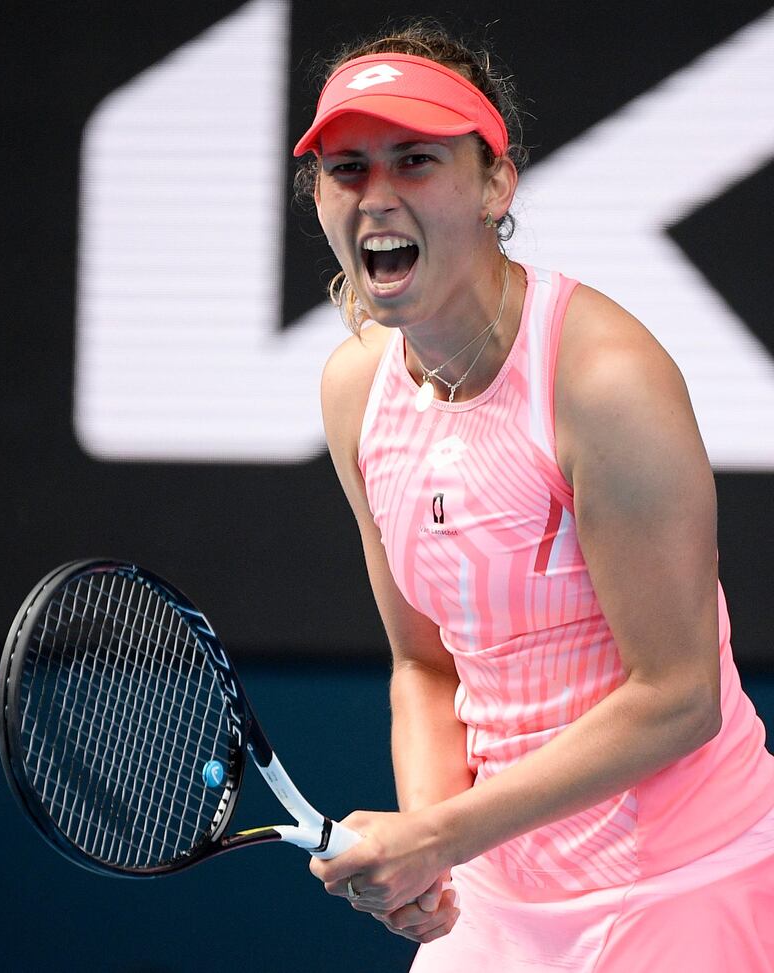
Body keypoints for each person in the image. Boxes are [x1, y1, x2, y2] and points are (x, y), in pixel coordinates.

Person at [293, 21, 774, 971]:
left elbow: (679, 698)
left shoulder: (602, 381)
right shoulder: (355, 389)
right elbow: (425, 667)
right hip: (499, 902)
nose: (377, 195)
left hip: (679, 887)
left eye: (416, 161)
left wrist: (441, 835)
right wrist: (436, 854)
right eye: (348, 169)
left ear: (495, 183)